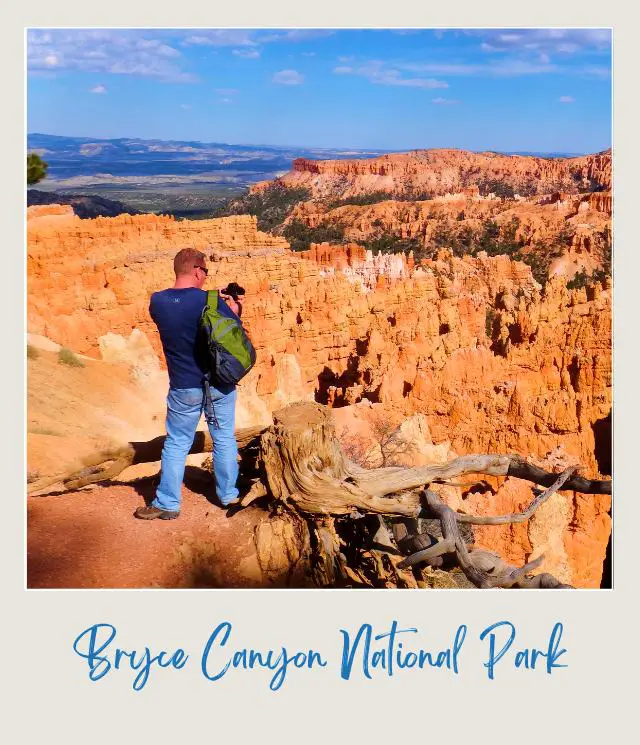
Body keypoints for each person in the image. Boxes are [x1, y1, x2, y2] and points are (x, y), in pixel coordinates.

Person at [134, 247, 244, 520]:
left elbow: (181, 309)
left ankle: (168, 504)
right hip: (218, 385)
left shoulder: (157, 301)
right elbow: (231, 335)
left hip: (184, 387)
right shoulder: (211, 302)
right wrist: (234, 308)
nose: (206, 277)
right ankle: (228, 496)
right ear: (197, 270)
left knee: (176, 442)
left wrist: (206, 296)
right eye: (204, 271)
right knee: (224, 439)